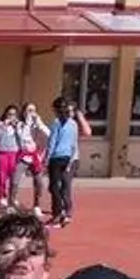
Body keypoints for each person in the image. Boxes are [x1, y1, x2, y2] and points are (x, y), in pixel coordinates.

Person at [45, 98, 90, 228]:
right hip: (67, 157)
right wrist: (70, 160)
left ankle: (58, 215)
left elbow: (52, 142)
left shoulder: (56, 123)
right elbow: (73, 144)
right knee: (62, 187)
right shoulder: (73, 124)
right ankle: (63, 213)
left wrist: (46, 159)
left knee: (55, 188)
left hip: (56, 158)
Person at [12, 102, 52, 218]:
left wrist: (40, 123)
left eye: (33, 111)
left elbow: (49, 135)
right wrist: (28, 122)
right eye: (29, 111)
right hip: (23, 156)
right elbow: (23, 137)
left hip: (35, 157)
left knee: (39, 182)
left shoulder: (38, 125)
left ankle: (36, 205)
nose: (31, 113)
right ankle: (12, 203)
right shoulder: (20, 125)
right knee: (15, 181)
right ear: (24, 112)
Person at [0, 105, 25, 212]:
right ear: (6, 114)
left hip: (14, 153)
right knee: (2, 176)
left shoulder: (19, 125)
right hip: (2, 153)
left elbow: (22, 139)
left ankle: (12, 198)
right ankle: (2, 197)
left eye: (14, 115)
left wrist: (17, 128)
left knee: (14, 177)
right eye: (9, 114)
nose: (11, 117)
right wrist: (3, 126)